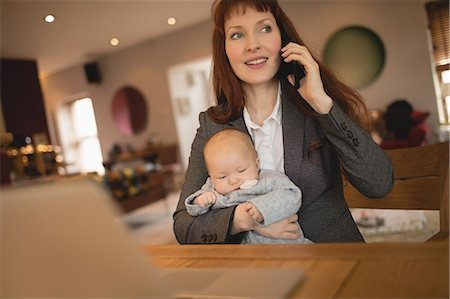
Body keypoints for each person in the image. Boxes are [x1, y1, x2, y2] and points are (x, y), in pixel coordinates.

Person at [173, 0, 393, 244]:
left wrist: (322, 105)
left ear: (283, 38)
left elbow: (379, 184)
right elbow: (184, 225)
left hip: (333, 257)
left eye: (265, 28)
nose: (253, 45)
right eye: (237, 35)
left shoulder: (314, 105)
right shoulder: (212, 125)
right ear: (224, 49)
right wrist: (241, 220)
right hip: (258, 271)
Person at [185, 128, 312, 244]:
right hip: (246, 254)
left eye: (241, 170)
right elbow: (193, 213)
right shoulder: (212, 189)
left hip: (286, 245)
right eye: (222, 177)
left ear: (257, 163)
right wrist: (199, 200)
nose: (233, 180)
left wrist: (262, 207)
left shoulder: (268, 179)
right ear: (211, 176)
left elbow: (292, 195)